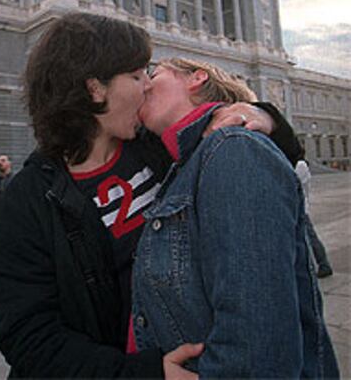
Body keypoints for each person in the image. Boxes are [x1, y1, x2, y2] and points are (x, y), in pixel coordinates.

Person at [0, 12, 302, 379]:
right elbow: (29, 339)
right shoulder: (25, 203)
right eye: (137, 76)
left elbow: (264, 162)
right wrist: (145, 374)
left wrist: (265, 118)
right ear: (96, 89)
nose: (146, 86)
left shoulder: (155, 150)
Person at [132, 58, 339, 378]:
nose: (143, 83)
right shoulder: (184, 162)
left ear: (197, 78)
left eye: (153, 74)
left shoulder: (233, 149)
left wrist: (261, 114)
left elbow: (256, 346)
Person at [295, 158, 333, 278]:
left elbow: (296, 183)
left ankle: (324, 264)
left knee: (311, 238)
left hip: (300, 209)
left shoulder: (300, 165)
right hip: (296, 207)